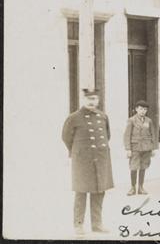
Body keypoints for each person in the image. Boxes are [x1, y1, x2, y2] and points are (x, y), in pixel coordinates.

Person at [62, 89, 113, 235]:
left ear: (98, 100)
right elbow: (66, 137)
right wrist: (76, 151)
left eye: (94, 99)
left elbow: (107, 135)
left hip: (100, 159)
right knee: (81, 192)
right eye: (89, 99)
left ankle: (97, 224)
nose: (92, 102)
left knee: (99, 192)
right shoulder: (74, 117)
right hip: (82, 160)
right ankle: (78, 225)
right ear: (83, 100)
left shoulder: (103, 117)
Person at [123, 100, 156, 196]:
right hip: (135, 147)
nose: (143, 111)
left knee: (143, 167)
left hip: (146, 147)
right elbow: (127, 135)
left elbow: (153, 134)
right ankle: (133, 187)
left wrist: (153, 148)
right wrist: (128, 149)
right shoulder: (131, 120)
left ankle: (141, 187)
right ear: (136, 109)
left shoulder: (149, 121)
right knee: (133, 167)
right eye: (141, 109)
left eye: (145, 109)